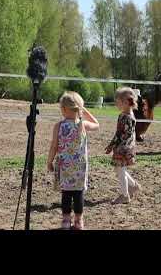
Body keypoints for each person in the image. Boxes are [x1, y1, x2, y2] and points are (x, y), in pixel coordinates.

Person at [47, 91, 100, 230]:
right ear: (78, 108)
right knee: (78, 194)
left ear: (63, 109)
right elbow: (97, 124)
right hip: (79, 167)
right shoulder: (83, 125)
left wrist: (49, 161)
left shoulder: (58, 126)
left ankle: (65, 221)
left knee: (66, 193)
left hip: (64, 166)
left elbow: (53, 146)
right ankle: (78, 221)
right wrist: (84, 111)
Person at [106, 87, 142, 205]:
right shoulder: (125, 115)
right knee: (119, 169)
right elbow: (120, 134)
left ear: (126, 102)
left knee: (120, 170)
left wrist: (114, 146)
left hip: (123, 148)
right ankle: (134, 186)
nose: (116, 103)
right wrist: (112, 145)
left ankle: (125, 195)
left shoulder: (127, 117)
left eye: (118, 101)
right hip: (123, 147)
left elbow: (123, 135)